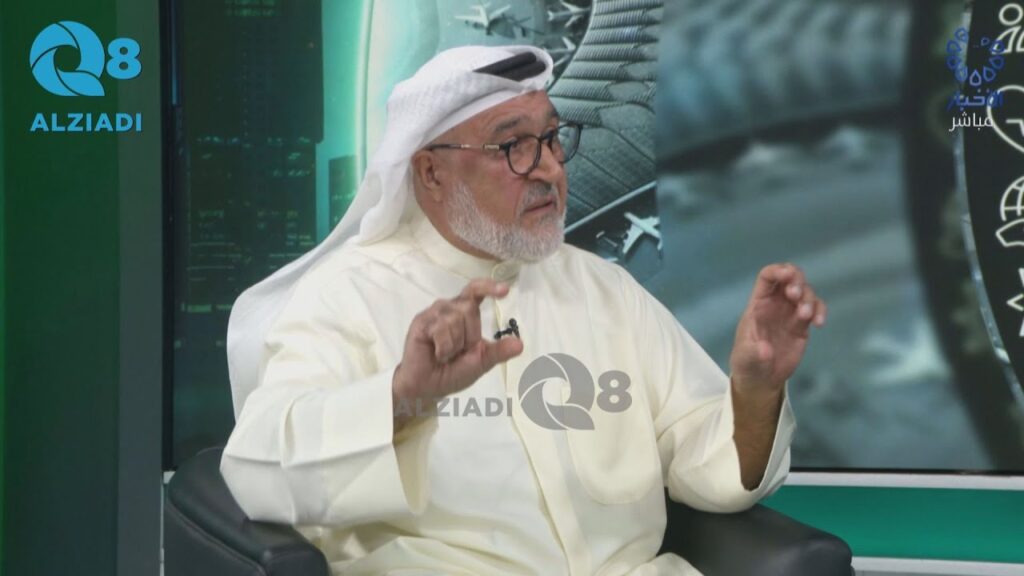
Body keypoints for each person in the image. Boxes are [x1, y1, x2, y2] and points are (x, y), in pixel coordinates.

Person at [220, 45, 827, 576]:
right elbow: (259, 469)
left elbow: (710, 465)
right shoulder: (347, 295)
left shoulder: (604, 290)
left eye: (552, 139)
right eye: (513, 146)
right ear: (431, 173)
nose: (551, 168)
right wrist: (403, 399)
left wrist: (754, 391)